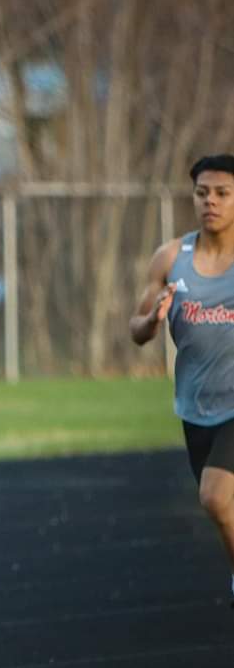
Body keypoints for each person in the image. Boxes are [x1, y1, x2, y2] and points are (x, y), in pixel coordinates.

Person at [130, 153, 234, 601]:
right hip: (195, 406)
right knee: (224, 503)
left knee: (214, 497)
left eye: (223, 193)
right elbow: (135, 329)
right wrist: (154, 318)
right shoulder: (172, 257)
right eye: (202, 192)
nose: (210, 201)